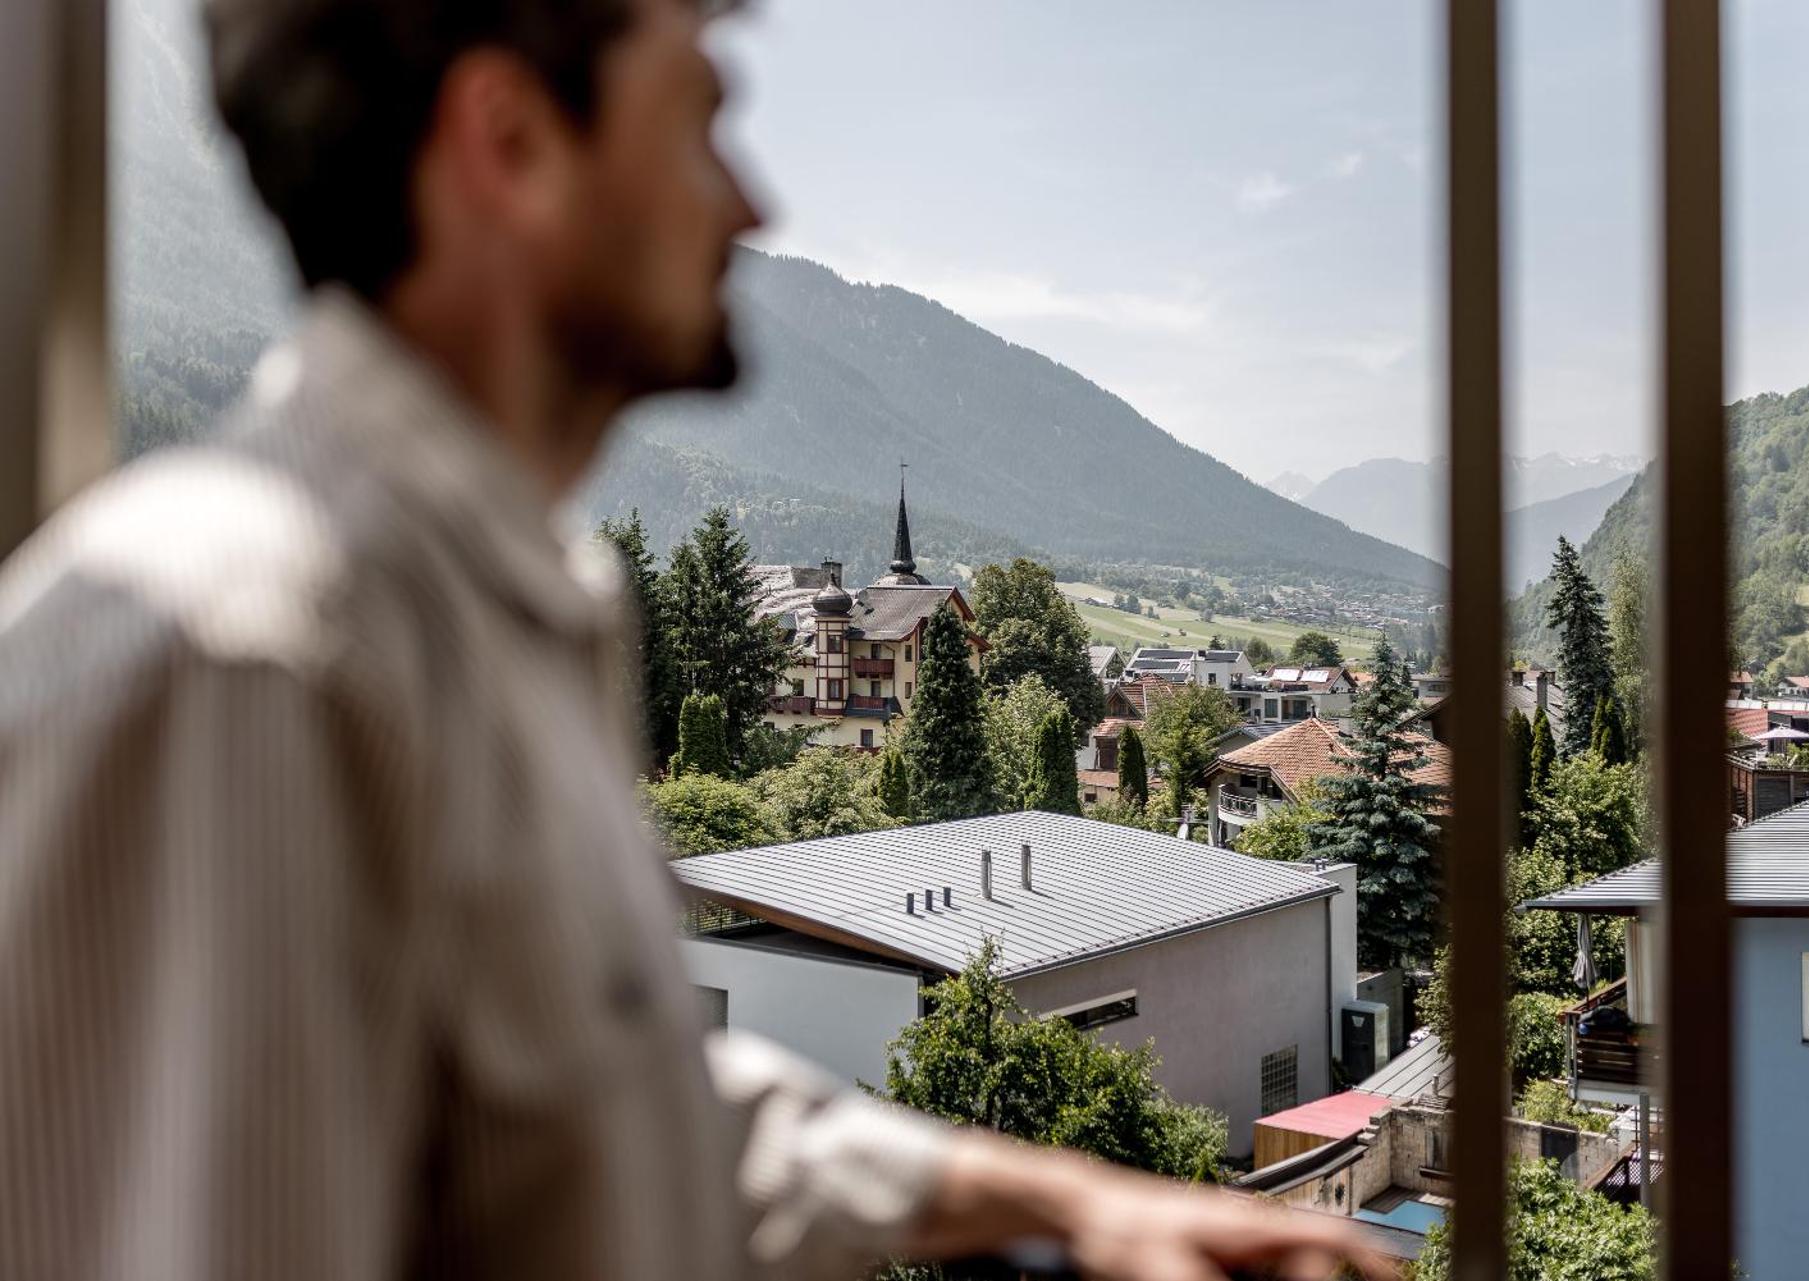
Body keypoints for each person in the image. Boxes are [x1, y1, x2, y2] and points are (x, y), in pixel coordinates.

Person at [0, 1, 1392, 1278]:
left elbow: (591, 1113)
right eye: (700, 115)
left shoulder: (480, 614)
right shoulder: (245, 665)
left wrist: (1061, 1199)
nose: (747, 198)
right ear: (512, 141)